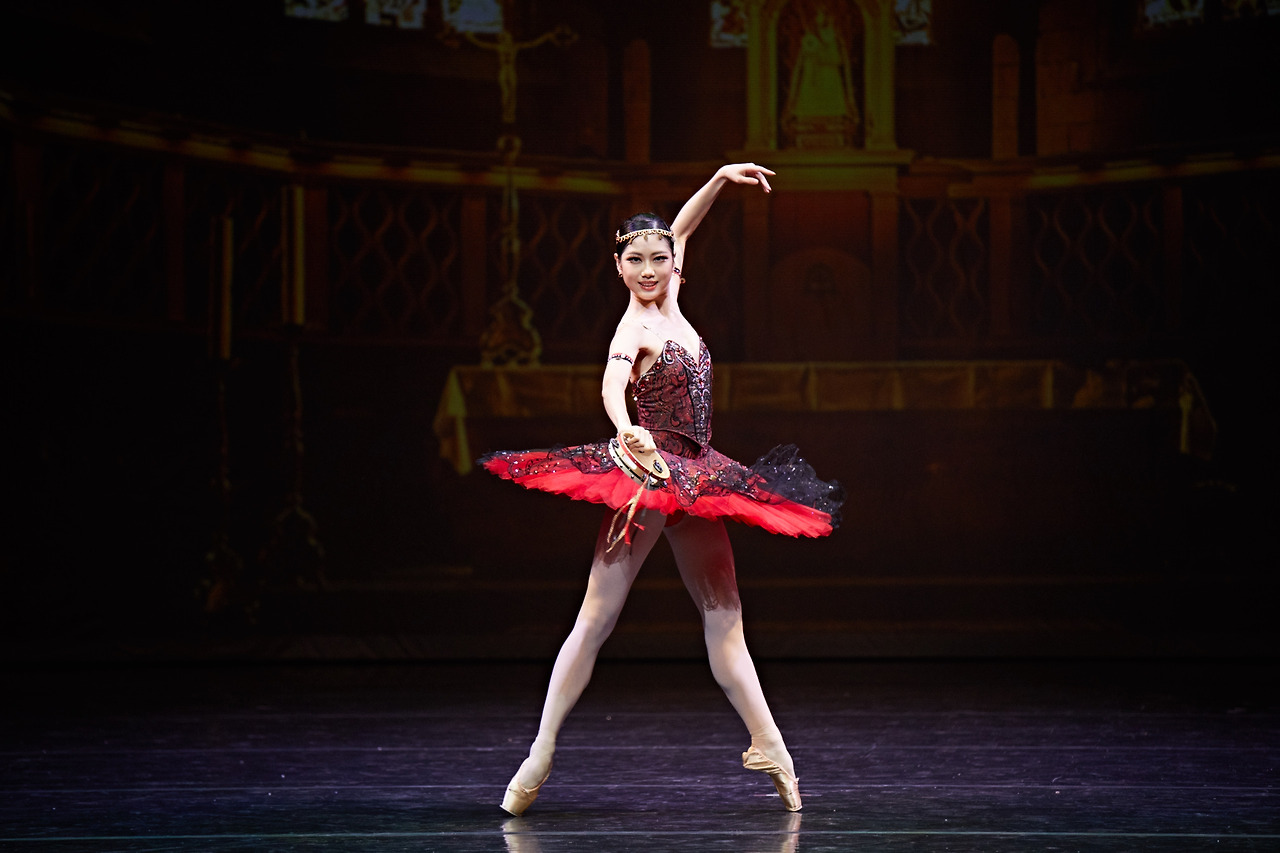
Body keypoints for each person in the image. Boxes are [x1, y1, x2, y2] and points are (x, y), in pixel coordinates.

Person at [480, 163, 844, 815]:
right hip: (646, 481)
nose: (649, 271)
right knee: (596, 618)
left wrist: (720, 179)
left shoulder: (672, 296)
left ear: (674, 263)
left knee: (725, 620)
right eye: (635, 261)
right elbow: (611, 385)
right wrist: (626, 430)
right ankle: (540, 752)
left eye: (659, 259)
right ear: (618, 268)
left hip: (698, 479)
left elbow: (682, 227)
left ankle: (771, 745)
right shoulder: (634, 329)